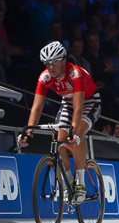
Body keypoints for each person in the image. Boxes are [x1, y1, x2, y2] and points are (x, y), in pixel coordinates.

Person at [17, 41, 101, 203]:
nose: (51, 67)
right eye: (47, 64)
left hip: (89, 102)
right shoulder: (45, 77)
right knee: (58, 140)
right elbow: (37, 106)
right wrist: (29, 133)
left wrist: (74, 132)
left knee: (77, 135)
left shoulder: (75, 74)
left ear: (63, 60)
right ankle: (68, 181)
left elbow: (78, 108)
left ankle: (81, 185)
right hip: (67, 103)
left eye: (54, 62)